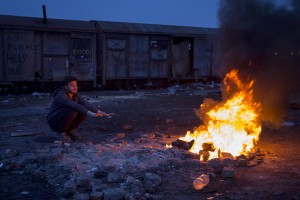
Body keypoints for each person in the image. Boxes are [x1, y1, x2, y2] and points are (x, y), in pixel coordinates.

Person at [47, 75, 110, 141]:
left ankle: (69, 131)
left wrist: (98, 111)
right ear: (66, 87)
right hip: (54, 121)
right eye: (72, 85)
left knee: (82, 112)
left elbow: (85, 103)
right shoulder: (61, 95)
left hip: (63, 118)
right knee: (73, 111)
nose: (75, 87)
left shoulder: (76, 95)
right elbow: (74, 105)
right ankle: (60, 132)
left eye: (76, 85)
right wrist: (91, 113)